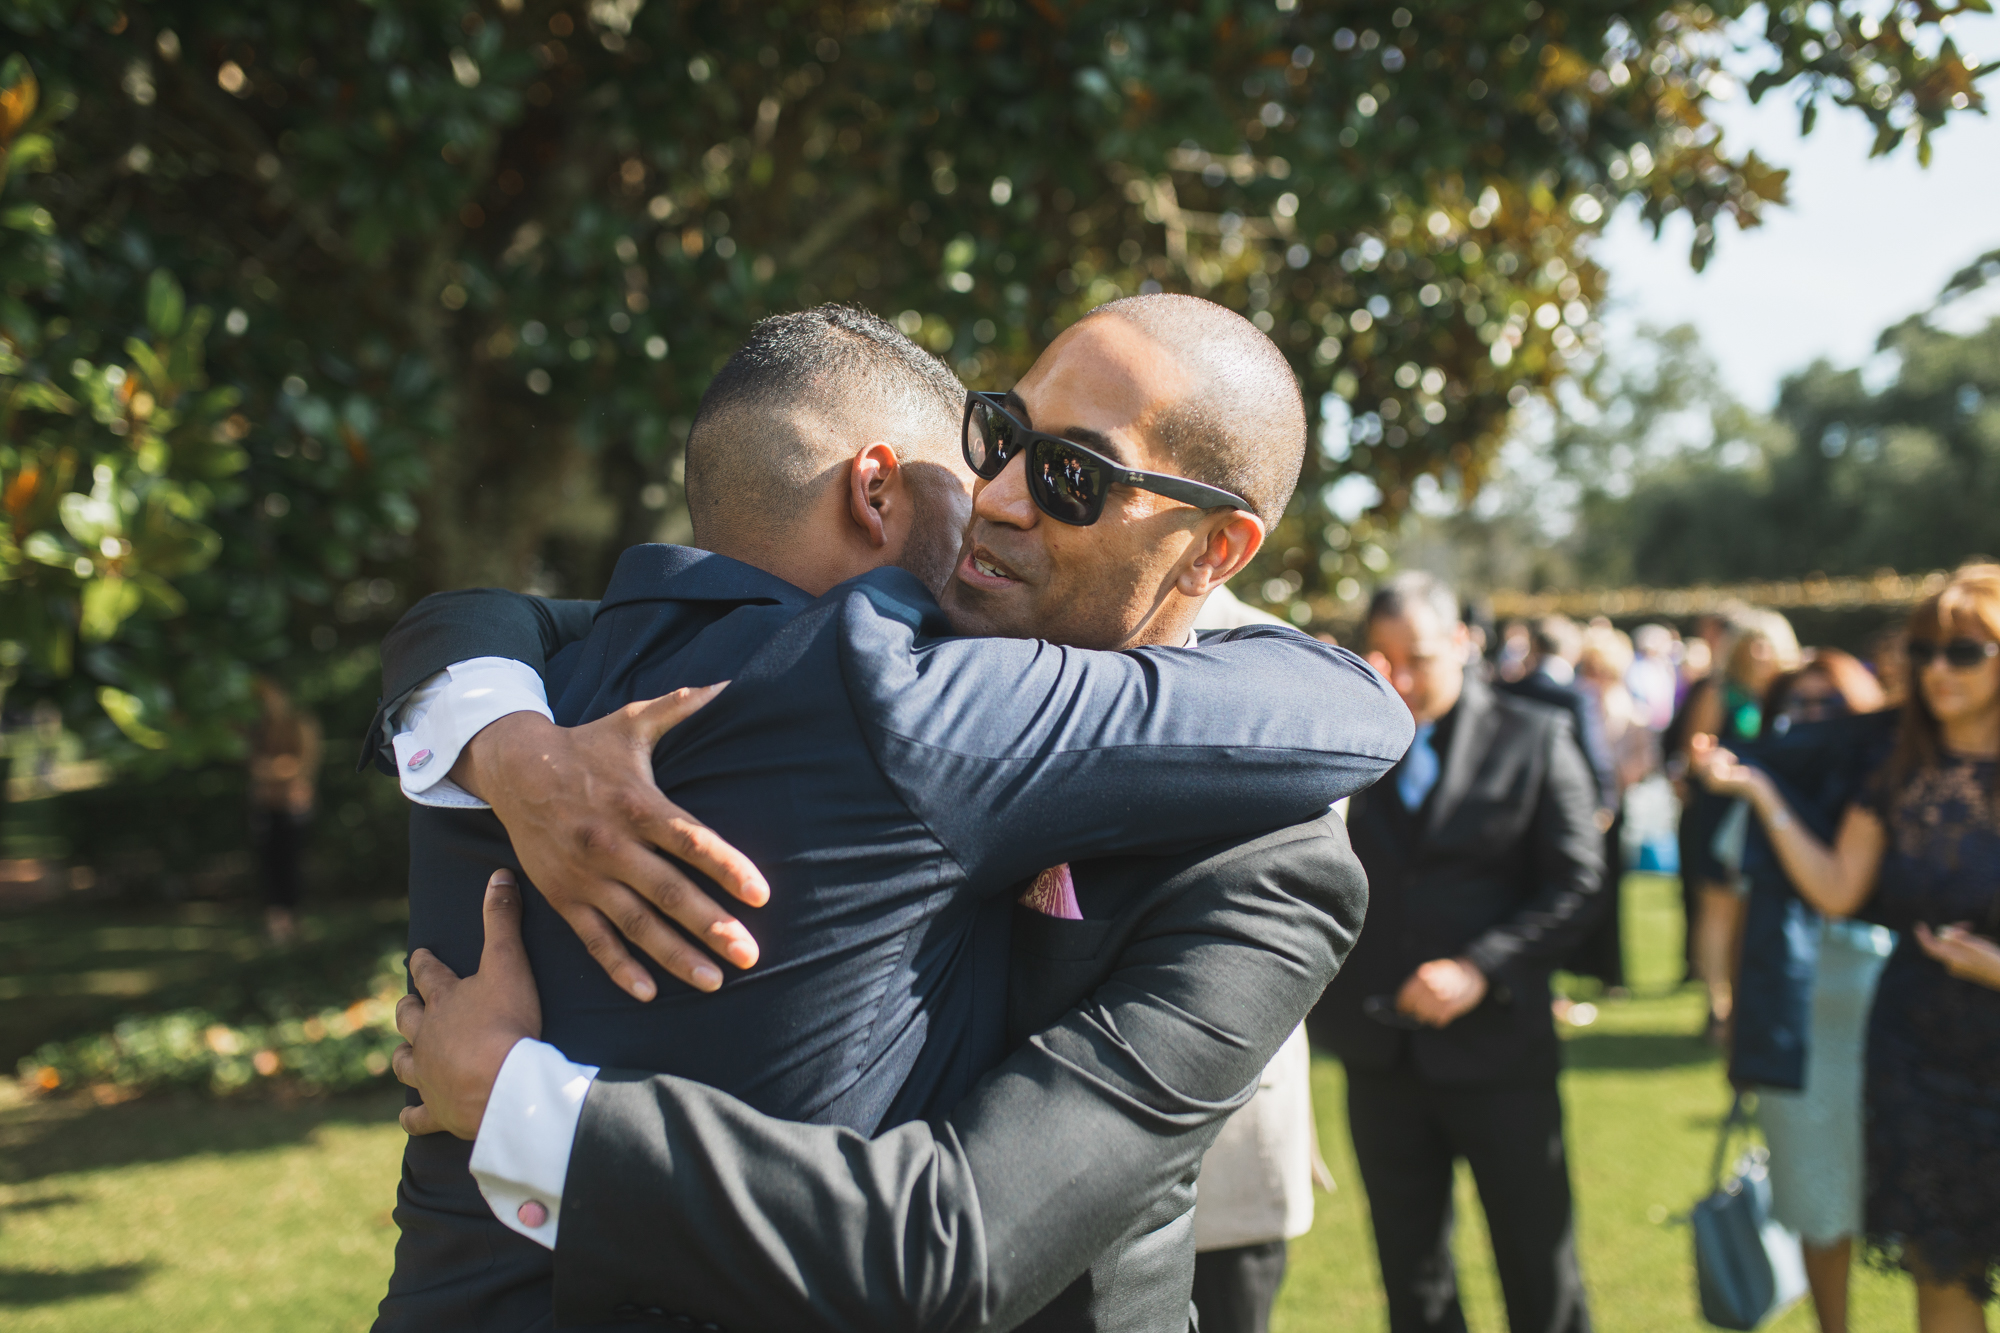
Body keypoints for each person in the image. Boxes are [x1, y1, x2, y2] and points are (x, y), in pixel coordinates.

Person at [375, 298, 1410, 1331]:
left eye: (1071, 477)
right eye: (998, 438)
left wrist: (512, 1096)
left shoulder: (1268, 863)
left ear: (1214, 551)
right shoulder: (570, 708)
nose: (996, 496)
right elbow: (539, 618)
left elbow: (959, 1239)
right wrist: (499, 731)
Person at [1693, 563, 2000, 1333]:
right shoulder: (1898, 772)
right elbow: (1835, 887)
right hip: (1922, 1054)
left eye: (1962, 653)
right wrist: (1763, 792)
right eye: (1924, 651)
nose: (1936, 670)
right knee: (1945, 1270)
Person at [1308, 571, 1605, 1333]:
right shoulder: (1341, 745)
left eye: (1416, 658)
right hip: (1380, 1056)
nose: (1397, 678)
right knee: (1415, 1280)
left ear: (1466, 644)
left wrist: (1482, 967)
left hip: (1500, 1052)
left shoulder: (1535, 735)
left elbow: (1577, 882)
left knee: (1539, 1267)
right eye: (1381, 657)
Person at [1721, 651, 1892, 1333]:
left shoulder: (1888, 786)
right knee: (1817, 1196)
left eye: (1833, 705)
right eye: (1800, 706)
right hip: (1796, 1017)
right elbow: (1735, 909)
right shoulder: (1758, 789)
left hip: (1887, 1005)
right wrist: (1733, 1008)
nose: (1815, 721)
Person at [1675, 608, 1800, 1039]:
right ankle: (1718, 1006)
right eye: (1752, 643)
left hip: (1776, 813)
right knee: (1718, 908)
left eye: (1767, 643)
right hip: (1724, 810)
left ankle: (1755, 1002)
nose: (1761, 652)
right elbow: (1695, 753)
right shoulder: (1721, 692)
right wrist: (1718, 765)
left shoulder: (1793, 694)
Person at [247, 677, 321, 944]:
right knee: (270, 863)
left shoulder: (299, 724)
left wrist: (271, 771)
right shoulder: (259, 728)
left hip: (293, 804)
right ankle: (277, 920)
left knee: (291, 861)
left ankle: (292, 919)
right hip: (267, 805)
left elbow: (303, 764)